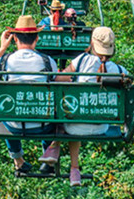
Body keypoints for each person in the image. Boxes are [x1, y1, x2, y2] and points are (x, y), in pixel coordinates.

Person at [39, 26, 129, 186]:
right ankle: (74, 168)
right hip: (102, 127)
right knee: (80, 114)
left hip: (75, 126)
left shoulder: (82, 61)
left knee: (66, 107)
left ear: (92, 43)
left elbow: (57, 80)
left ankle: (56, 146)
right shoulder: (117, 70)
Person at [0, 15, 58, 177]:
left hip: (14, 126)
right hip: (43, 125)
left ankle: (18, 161)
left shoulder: (4, 61)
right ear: (37, 39)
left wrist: (1, 49)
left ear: (15, 38)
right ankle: (48, 155)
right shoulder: (47, 61)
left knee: (6, 109)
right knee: (53, 112)